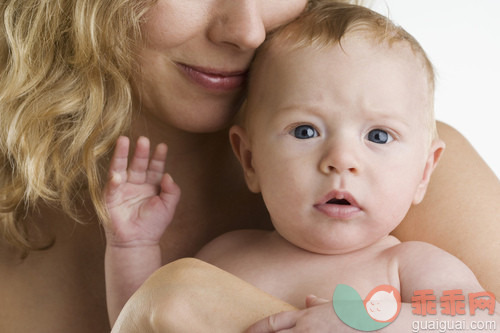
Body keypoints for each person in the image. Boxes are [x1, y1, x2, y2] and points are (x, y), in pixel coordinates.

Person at [0, 0, 498, 332]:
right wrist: (133, 248)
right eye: (305, 132)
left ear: (425, 171)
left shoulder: (406, 263)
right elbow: (140, 320)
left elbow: (480, 317)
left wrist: (367, 323)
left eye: (378, 136)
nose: (342, 162)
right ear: (250, 159)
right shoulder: (230, 252)